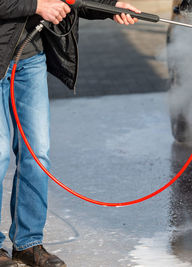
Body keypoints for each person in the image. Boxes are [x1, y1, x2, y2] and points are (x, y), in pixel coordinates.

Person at [0, 0, 140, 266]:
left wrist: (112, 7)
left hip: (29, 60)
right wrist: (37, 5)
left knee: (37, 153)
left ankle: (28, 244)